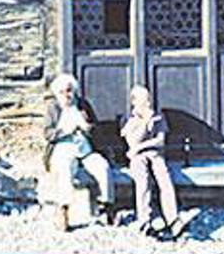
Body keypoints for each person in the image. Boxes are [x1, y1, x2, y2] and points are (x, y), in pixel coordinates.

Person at [43, 73, 114, 230]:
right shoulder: (53, 108)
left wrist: (88, 128)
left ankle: (106, 206)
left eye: (69, 91)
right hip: (63, 148)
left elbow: (96, 129)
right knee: (65, 169)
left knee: (103, 167)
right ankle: (63, 210)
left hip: (85, 148)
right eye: (62, 92)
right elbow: (47, 133)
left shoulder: (82, 105)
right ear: (57, 93)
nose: (66, 95)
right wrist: (64, 131)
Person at [121, 85, 190, 240]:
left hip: (153, 153)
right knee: (142, 181)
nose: (148, 103)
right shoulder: (129, 118)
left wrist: (141, 146)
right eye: (144, 100)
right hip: (137, 157)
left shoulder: (158, 116)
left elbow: (160, 141)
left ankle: (173, 219)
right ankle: (145, 221)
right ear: (134, 101)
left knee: (164, 179)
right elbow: (132, 141)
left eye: (149, 99)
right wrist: (145, 122)